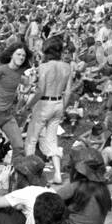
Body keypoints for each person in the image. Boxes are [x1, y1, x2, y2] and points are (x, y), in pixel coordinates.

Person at [23, 34, 72, 183]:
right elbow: (68, 91)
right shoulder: (67, 66)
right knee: (52, 140)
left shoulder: (43, 67)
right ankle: (57, 174)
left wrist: (28, 106)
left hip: (44, 103)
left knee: (31, 139)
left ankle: (30, 173)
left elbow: (40, 91)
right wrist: (62, 107)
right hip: (58, 102)